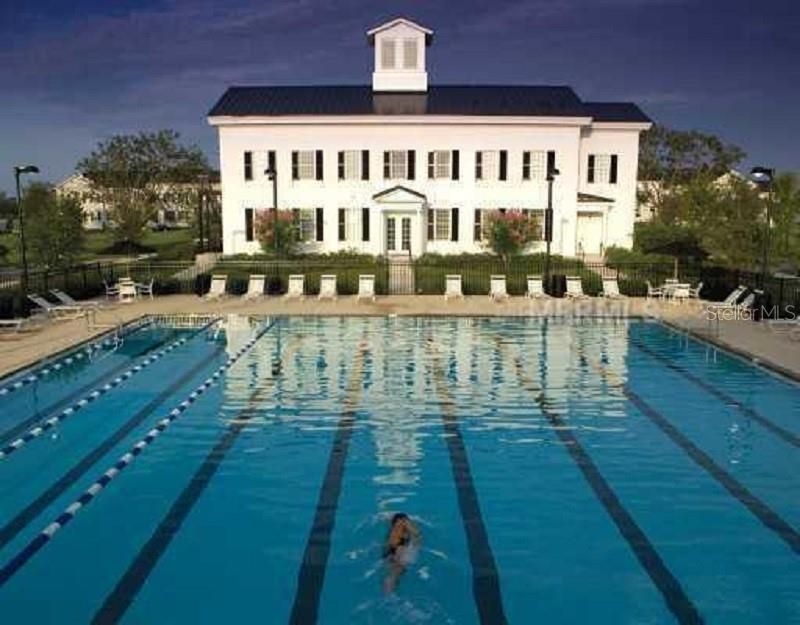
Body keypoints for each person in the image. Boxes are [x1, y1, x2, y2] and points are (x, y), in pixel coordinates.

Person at [382, 513, 421, 594]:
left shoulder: (392, 533)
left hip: (391, 553)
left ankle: (388, 592)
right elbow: (417, 535)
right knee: (394, 574)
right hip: (400, 554)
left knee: (392, 575)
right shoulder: (406, 534)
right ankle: (388, 594)